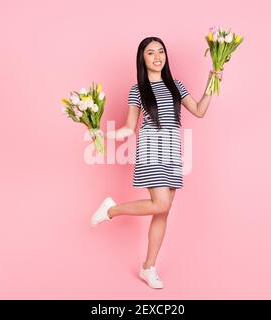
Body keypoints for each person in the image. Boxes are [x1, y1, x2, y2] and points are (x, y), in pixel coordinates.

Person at [90, 36, 217, 289]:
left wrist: (212, 81)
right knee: (160, 204)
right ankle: (110, 210)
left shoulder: (176, 85)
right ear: (142, 58)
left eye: (161, 52)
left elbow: (200, 111)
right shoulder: (137, 90)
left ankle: (148, 267)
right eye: (151, 53)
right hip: (151, 150)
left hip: (173, 152)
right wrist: (103, 134)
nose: (158, 57)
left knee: (164, 210)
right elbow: (128, 128)